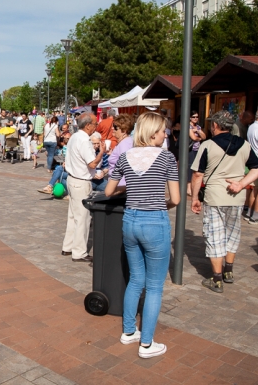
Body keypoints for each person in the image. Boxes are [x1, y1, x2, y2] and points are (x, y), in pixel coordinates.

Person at [105, 112, 180, 359]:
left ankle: (129, 331)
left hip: (130, 221)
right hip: (154, 221)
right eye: (162, 131)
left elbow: (108, 190)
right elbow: (176, 199)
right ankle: (147, 344)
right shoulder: (167, 158)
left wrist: (134, 190)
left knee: (136, 279)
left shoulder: (126, 156)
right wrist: (158, 204)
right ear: (152, 133)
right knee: (155, 286)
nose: (165, 134)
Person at [190, 111, 258, 294]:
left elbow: (198, 174)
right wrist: (242, 183)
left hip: (215, 195)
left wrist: (194, 198)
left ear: (215, 125)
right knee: (232, 232)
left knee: (214, 234)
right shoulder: (244, 144)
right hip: (236, 197)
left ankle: (216, 279)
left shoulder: (207, 145)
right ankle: (228, 271)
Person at [61, 113, 101, 262]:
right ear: (88, 125)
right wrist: (101, 153)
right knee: (83, 217)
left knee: (73, 215)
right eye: (95, 124)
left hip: (72, 179)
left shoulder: (74, 137)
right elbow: (92, 163)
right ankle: (79, 252)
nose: (96, 127)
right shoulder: (84, 140)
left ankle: (68, 246)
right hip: (81, 180)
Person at [103, 114, 135, 187]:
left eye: (115, 127)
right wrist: (112, 154)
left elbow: (126, 166)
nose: (112, 128)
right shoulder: (125, 142)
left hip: (120, 185)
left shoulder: (124, 144)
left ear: (124, 130)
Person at [187, 110, 207, 196]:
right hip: (190, 150)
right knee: (190, 168)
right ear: (190, 118)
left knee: (196, 169)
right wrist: (199, 138)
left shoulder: (198, 127)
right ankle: (188, 189)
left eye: (197, 117)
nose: (195, 118)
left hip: (197, 150)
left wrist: (198, 132)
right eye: (193, 117)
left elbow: (204, 136)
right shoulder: (188, 126)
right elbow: (194, 138)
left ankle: (193, 188)